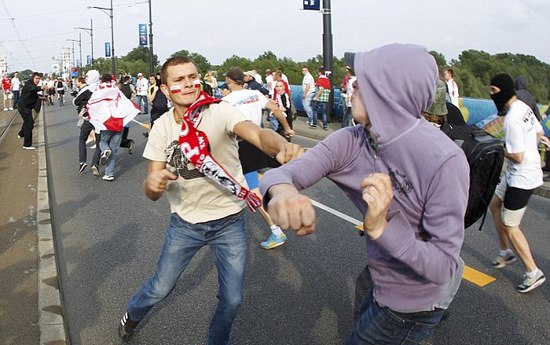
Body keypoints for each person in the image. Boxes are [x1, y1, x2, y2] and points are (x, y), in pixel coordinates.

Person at [259, 44, 469, 345]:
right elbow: (282, 174)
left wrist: (381, 227)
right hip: (376, 273)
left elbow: (442, 267)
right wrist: (281, 194)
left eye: (364, 80)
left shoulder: (444, 160)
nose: (353, 85)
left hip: (413, 301)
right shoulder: (352, 139)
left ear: (390, 93)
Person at [117, 56, 302, 344]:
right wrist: (153, 183)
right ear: (165, 89)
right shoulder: (163, 128)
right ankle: (133, 313)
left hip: (230, 221)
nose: (189, 83)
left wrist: (280, 146)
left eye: (192, 76)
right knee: (160, 288)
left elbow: (258, 134)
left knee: (232, 300)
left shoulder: (219, 111)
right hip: (186, 225)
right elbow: (152, 192)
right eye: (179, 79)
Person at [223, 67, 293, 250]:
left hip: (243, 145)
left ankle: (276, 230)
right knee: (277, 175)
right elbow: (276, 109)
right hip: (262, 139)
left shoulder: (225, 101)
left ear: (230, 81)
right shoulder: (255, 94)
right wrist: (286, 128)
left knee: (253, 190)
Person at [488, 73, 546, 293]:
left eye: (493, 91)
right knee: (494, 204)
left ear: (502, 91)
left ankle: (533, 272)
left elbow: (518, 156)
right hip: (519, 173)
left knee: (511, 226)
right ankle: (505, 252)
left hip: (522, 177)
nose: (491, 95)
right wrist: (530, 149)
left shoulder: (512, 118)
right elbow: (539, 132)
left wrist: (499, 148)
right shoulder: (523, 106)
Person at [73, 72, 101, 175]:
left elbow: (76, 101)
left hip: (88, 118)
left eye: (88, 77)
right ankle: (95, 163)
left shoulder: (88, 89)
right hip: (100, 120)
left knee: (82, 139)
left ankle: (82, 161)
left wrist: (84, 104)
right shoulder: (102, 88)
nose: (86, 78)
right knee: (99, 142)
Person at [17, 72, 44, 150]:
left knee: (28, 122)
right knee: (29, 124)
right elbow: (32, 89)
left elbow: (34, 94)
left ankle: (21, 133)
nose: (38, 80)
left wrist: (41, 97)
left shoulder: (33, 85)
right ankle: (27, 144)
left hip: (27, 107)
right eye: (36, 78)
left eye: (39, 79)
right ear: (33, 78)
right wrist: (41, 87)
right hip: (23, 107)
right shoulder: (29, 84)